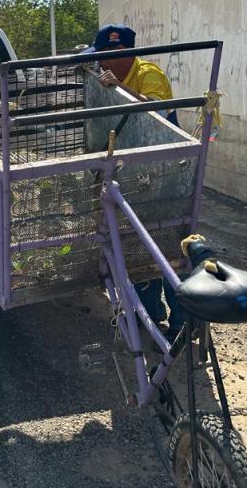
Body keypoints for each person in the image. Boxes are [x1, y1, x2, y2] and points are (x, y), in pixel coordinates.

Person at [90, 23, 184, 341]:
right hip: (138, 173)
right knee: (138, 245)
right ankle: (151, 316)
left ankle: (182, 322)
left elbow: (156, 116)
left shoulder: (148, 75)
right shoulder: (108, 72)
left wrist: (120, 87)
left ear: (121, 52)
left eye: (103, 56)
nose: (100, 63)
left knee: (169, 245)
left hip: (166, 175)